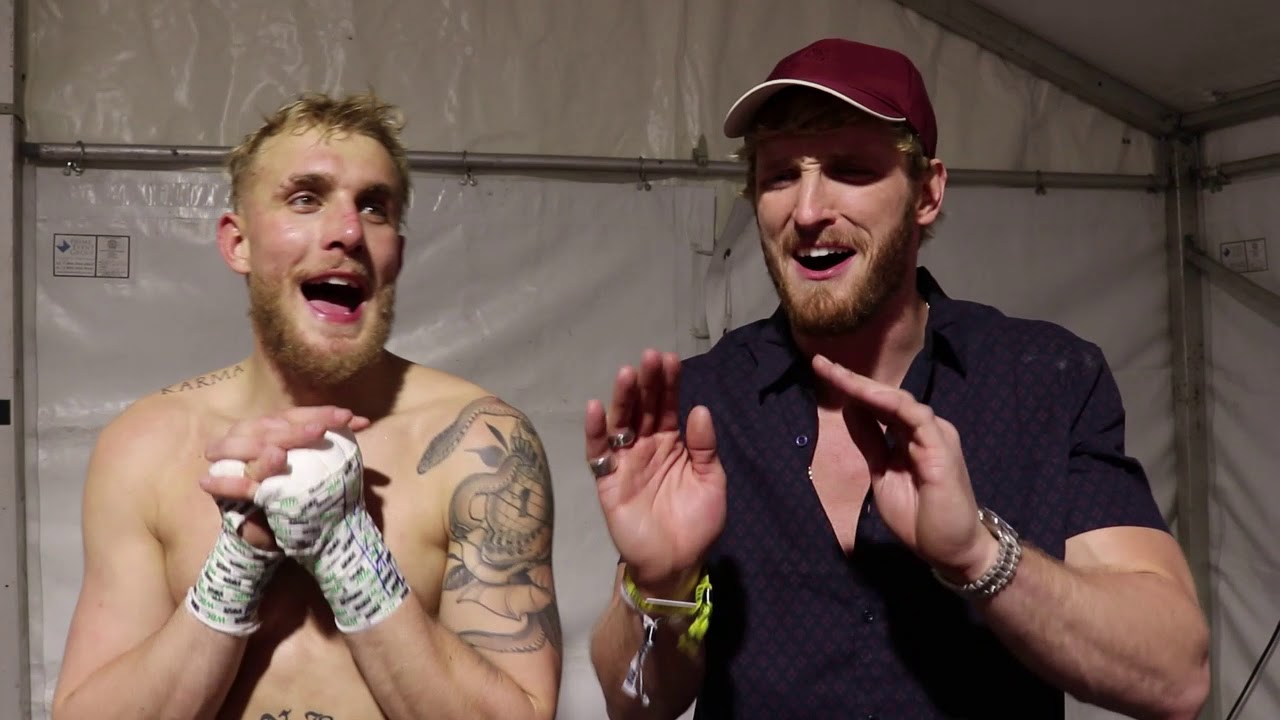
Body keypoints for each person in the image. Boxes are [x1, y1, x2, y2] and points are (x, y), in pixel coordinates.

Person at [585, 38, 1210, 720]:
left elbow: (1175, 676)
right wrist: (662, 584)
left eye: (851, 171)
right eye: (779, 175)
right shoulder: (706, 403)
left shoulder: (1041, 380)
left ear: (928, 192)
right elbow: (634, 703)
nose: (807, 210)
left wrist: (977, 553)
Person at [52, 92, 562, 720]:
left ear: (395, 253)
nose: (348, 231)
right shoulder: (146, 444)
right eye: (305, 198)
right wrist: (240, 560)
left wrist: (350, 553)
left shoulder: (478, 444)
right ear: (237, 242)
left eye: (374, 207)